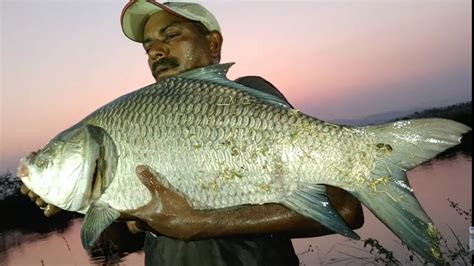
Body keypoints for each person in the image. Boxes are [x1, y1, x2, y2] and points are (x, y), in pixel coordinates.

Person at [22, 1, 364, 265]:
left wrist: (201, 223)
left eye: (171, 36)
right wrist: (82, 198)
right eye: (149, 46)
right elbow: (125, 241)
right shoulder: (139, 121)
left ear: (212, 43)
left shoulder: (244, 97)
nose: (156, 50)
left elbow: (345, 208)